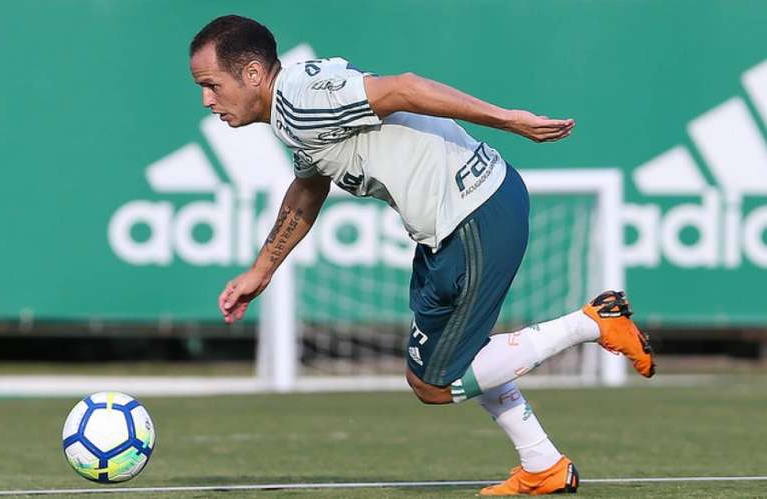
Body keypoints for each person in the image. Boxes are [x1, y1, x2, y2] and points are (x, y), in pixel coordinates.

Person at [189, 14, 655, 496]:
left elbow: (406, 88)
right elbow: (309, 187)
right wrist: (261, 271)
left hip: (476, 213)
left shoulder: (303, 100)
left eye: (211, 85)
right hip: (447, 228)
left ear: (251, 74)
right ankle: (543, 465)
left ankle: (594, 322)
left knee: (438, 383)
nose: (206, 100)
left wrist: (508, 120)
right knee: (433, 371)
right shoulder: (292, 113)